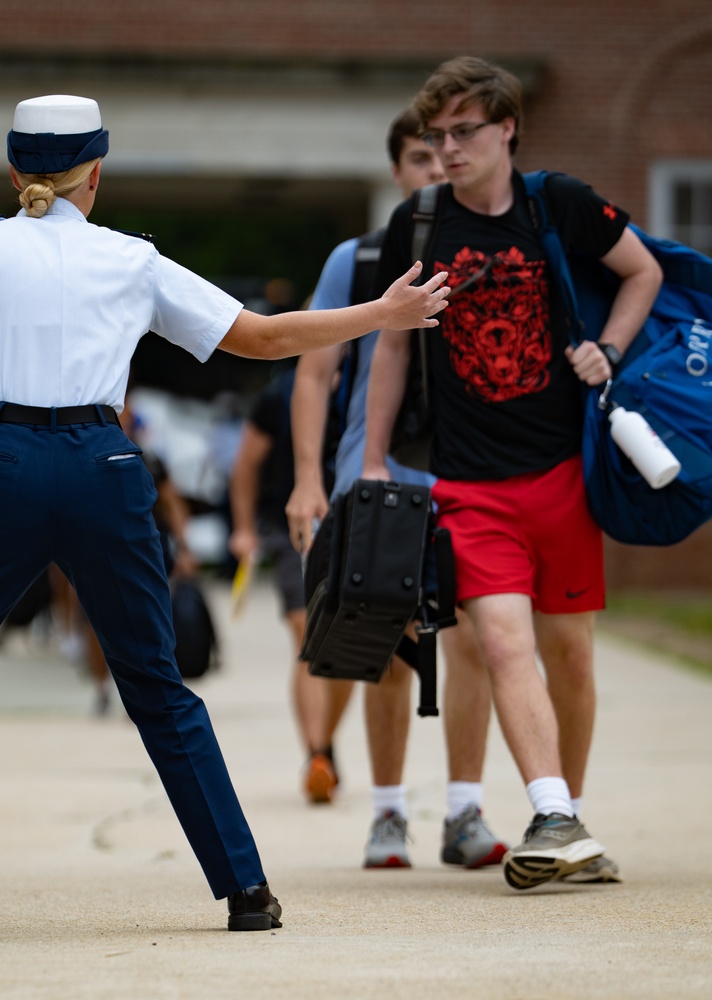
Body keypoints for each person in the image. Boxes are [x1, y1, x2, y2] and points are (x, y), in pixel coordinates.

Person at [0, 94, 450, 937]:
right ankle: (246, 893)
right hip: (100, 465)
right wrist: (382, 315)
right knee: (155, 686)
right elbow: (260, 337)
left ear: (14, 172)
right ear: (97, 174)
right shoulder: (132, 260)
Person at [360, 57, 663, 889]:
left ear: (506, 130)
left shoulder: (555, 203)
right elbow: (390, 342)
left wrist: (611, 348)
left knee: (570, 653)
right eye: (437, 135)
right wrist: (374, 457)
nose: (449, 148)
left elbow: (644, 271)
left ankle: (567, 818)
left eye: (464, 132)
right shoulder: (418, 224)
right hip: (467, 482)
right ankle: (552, 809)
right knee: (501, 640)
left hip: (565, 472)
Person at [287, 107, 507, 870]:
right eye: (418, 156)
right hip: (375, 469)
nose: (434, 168)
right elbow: (315, 370)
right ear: (397, 171)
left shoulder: (489, 250)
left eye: (443, 152)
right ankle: (386, 815)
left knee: (477, 634)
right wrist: (308, 479)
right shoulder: (361, 257)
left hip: (465, 466)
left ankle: (464, 811)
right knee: (384, 632)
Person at [228, 364, 354, 805]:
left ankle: (325, 744)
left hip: (355, 524)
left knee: (345, 647)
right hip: (290, 529)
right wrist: (243, 529)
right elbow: (245, 464)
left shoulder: (364, 386)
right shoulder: (278, 395)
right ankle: (317, 753)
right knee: (307, 634)